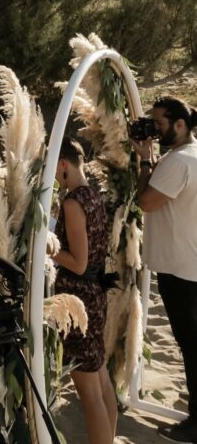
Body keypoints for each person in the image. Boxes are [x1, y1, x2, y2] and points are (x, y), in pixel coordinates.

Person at [134, 95, 197, 443]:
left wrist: (145, 162)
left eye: (158, 123)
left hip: (181, 272)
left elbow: (145, 202)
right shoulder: (188, 155)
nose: (153, 129)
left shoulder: (178, 162)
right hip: (189, 264)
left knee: (190, 347)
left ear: (180, 124)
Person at [52, 136, 116, 444]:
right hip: (95, 295)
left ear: (64, 164)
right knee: (101, 382)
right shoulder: (93, 194)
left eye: (53, 167)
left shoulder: (72, 202)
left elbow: (77, 263)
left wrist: (48, 248)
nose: (52, 175)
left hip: (79, 303)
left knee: (90, 395)